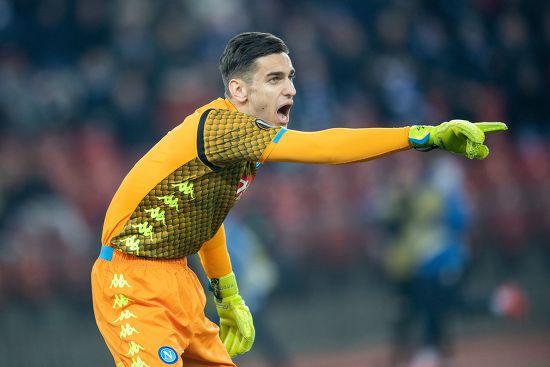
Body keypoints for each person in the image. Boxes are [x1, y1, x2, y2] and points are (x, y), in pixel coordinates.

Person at [91, 32, 507, 367]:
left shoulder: (239, 148)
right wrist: (424, 135)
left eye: (290, 77)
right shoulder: (223, 128)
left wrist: (227, 293)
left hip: (179, 280)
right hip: (132, 281)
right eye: (274, 79)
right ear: (238, 89)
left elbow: (206, 217)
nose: (290, 88)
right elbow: (326, 148)